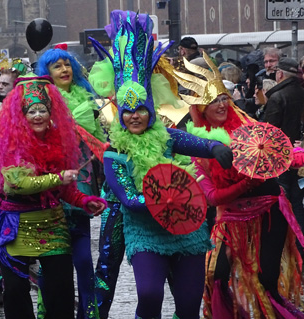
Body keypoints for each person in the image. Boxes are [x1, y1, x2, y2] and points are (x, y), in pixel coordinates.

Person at [89, 11, 234, 319]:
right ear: (121, 114)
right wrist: (168, 197)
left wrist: (216, 148)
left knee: (189, 303)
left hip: (187, 229)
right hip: (146, 231)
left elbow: (194, 144)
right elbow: (129, 198)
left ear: (150, 110)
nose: (134, 116)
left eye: (141, 108)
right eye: (128, 111)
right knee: (150, 296)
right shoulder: (115, 154)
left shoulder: (166, 136)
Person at [176, 52, 304, 318]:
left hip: (269, 212)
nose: (222, 105)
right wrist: (246, 184)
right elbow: (212, 198)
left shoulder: (248, 126)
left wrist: (297, 155)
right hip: (231, 217)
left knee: (265, 280)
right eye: (214, 101)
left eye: (224, 98)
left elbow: (281, 154)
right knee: (216, 274)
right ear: (201, 108)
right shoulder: (198, 146)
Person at [0, 75, 106, 319]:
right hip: (16, 225)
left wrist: (84, 201)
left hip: (52, 222)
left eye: (42, 109)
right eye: (32, 111)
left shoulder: (59, 141)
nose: (38, 115)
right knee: (17, 291)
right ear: (22, 115)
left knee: (60, 291)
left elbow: (63, 190)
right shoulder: (11, 144)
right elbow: (16, 185)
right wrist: (58, 178)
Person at [37, 45, 106, 319]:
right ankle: (47, 311)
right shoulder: (41, 102)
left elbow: (97, 139)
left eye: (67, 64)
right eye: (57, 66)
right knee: (51, 261)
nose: (64, 70)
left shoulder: (86, 98)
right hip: (50, 188)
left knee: (84, 260)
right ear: (47, 73)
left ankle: (89, 314)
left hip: (81, 183)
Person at [264, 57, 304, 258]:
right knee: (297, 205)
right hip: (299, 158)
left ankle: (291, 253)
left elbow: (269, 133)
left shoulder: (277, 97)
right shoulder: (300, 92)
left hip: (280, 160)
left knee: (284, 206)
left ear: (279, 74)